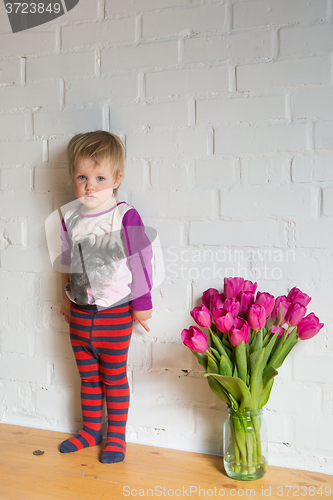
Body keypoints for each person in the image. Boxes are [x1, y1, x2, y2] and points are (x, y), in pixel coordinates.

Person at [59, 130, 153, 463]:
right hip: (81, 313)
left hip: (115, 314)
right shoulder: (70, 218)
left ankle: (116, 436)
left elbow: (141, 259)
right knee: (87, 377)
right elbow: (67, 261)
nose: (90, 185)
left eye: (99, 177)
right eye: (82, 177)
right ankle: (90, 430)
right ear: (73, 178)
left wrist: (142, 304)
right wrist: (65, 299)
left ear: (116, 179)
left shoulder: (124, 215)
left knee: (113, 377)